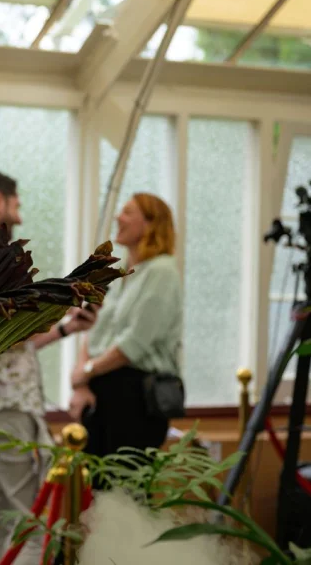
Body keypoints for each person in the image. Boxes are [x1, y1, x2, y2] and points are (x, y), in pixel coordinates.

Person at [0, 169, 98, 565]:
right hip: (7, 411)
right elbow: (6, 335)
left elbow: (7, 341)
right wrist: (58, 307)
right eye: (15, 201)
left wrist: (65, 327)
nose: (20, 210)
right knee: (30, 521)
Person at [68, 192, 183, 460]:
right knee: (97, 488)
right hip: (103, 392)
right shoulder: (124, 275)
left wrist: (85, 372)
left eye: (129, 212)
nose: (119, 217)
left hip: (135, 396)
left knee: (124, 491)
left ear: (151, 224)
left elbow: (134, 344)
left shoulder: (162, 272)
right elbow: (96, 331)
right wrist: (82, 383)